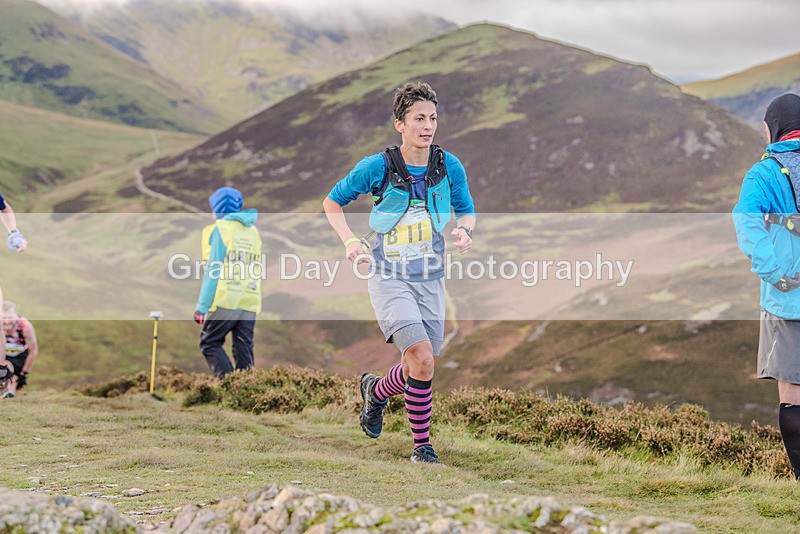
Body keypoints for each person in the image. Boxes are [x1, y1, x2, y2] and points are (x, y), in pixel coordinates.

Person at [323, 81, 476, 464]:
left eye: (433, 118)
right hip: (388, 275)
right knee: (421, 358)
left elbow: (467, 209)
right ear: (400, 124)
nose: (428, 126)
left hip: (430, 278)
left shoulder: (448, 165)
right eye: (419, 118)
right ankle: (422, 447)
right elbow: (332, 202)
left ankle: (375, 391)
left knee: (419, 363)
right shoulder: (378, 166)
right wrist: (350, 242)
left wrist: (464, 229)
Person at [733, 93, 800, 478]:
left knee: (793, 391)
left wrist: (776, 275)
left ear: (770, 128)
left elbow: (748, 225)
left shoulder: (763, 173)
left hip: (787, 301)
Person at [194, 187, 262, 378]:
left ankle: (230, 387)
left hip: (226, 298)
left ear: (217, 209)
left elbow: (213, 270)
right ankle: (248, 393)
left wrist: (202, 307)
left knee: (210, 343)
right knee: (243, 346)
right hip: (249, 299)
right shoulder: (252, 231)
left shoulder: (220, 230)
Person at [2, 300, 38, 398]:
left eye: (10, 317)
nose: (7, 321)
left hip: (20, 356)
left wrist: (24, 373)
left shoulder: (25, 326)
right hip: (3, 355)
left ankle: (9, 396)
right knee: (7, 369)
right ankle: (7, 395)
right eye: (3, 318)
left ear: (16, 315)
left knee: (14, 379)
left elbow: (33, 351)